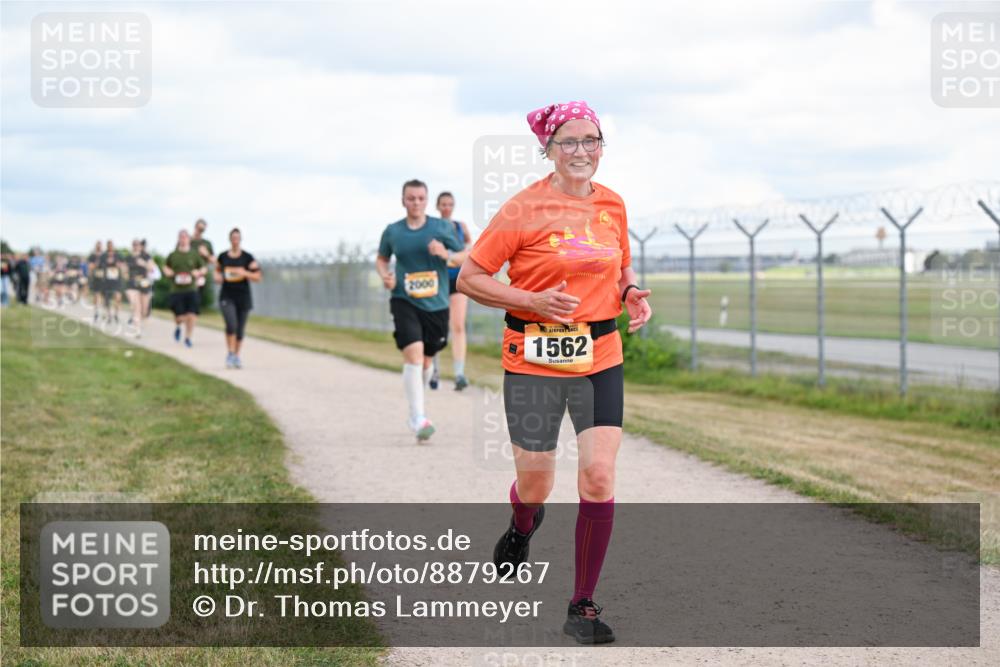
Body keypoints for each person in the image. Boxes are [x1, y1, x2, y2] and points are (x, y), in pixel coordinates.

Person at [457, 101, 652, 644]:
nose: (581, 151)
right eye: (568, 141)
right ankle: (522, 523)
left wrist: (630, 292)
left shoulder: (613, 204)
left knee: (598, 475)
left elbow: (620, 265)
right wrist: (531, 300)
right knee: (537, 482)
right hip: (533, 358)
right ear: (547, 149)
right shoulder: (523, 208)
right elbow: (470, 278)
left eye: (592, 140)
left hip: (600, 354)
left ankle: (581, 604)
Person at [375, 179, 463, 442]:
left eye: (420, 198)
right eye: (411, 198)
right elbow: (381, 258)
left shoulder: (441, 227)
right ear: (403, 200)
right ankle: (418, 417)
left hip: (436, 304)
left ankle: (418, 407)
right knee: (413, 355)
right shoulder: (393, 231)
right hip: (404, 299)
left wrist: (445, 254)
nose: (416, 203)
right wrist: (385, 276)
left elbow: (466, 256)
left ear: (427, 201)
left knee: (426, 361)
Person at [428, 192, 472, 391]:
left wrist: (450, 255)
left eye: (450, 204)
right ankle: (433, 370)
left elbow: (470, 252)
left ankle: (459, 374)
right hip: (437, 281)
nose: (447, 207)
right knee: (437, 327)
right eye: (443, 204)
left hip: (457, 280)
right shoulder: (431, 227)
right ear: (437, 206)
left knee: (458, 326)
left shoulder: (461, 227)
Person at [214, 227, 262, 368]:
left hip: (243, 296)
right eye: (233, 238)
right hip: (227, 295)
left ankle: (236, 355)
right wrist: (218, 277)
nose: (235, 240)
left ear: (240, 239)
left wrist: (244, 273)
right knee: (231, 324)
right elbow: (217, 271)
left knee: (240, 329)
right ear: (230, 239)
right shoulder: (223, 257)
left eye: (237, 238)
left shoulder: (248, 257)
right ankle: (230, 353)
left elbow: (258, 277)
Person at [162, 229, 208, 347]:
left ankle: (188, 338)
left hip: (191, 289)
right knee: (180, 317)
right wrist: (168, 272)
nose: (183, 239)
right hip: (176, 290)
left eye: (185, 237)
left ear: (189, 239)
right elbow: (165, 267)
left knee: (192, 314)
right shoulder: (173, 255)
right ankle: (178, 326)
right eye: (181, 237)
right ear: (178, 239)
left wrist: (199, 272)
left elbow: (204, 268)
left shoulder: (194, 254)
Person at [124, 239, 154, 337]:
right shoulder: (128, 258)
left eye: (138, 244)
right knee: (136, 306)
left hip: (144, 283)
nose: (136, 246)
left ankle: (140, 322)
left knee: (144, 310)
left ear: (141, 246)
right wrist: (126, 275)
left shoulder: (146, 256)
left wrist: (143, 263)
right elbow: (124, 271)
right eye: (134, 244)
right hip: (132, 284)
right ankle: (137, 330)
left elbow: (152, 268)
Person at [191, 218, 215, 308]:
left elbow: (214, 261)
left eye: (202, 229)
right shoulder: (186, 240)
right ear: (195, 227)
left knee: (195, 299)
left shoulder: (207, 243)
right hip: (186, 273)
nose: (200, 231)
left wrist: (206, 254)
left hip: (200, 275)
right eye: (199, 228)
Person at [100, 240, 125, 323]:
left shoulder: (118, 255)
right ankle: (109, 315)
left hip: (117, 279)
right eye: (109, 245)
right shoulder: (103, 255)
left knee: (118, 297)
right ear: (107, 246)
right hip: (107, 280)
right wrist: (106, 263)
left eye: (111, 245)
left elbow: (124, 265)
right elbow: (99, 265)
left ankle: (116, 314)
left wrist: (119, 265)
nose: (110, 247)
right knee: (107, 299)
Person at [87, 241, 105, 322]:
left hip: (104, 278)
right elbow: (90, 267)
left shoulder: (104, 255)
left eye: (100, 246)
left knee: (103, 296)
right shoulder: (92, 256)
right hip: (96, 278)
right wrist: (95, 264)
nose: (99, 247)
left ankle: (102, 311)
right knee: (96, 295)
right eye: (98, 246)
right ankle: (96, 312)